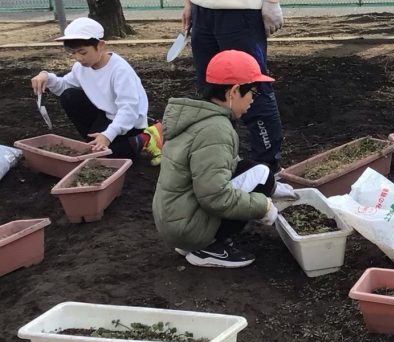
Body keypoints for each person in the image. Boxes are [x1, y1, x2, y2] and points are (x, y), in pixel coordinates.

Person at [152, 50, 296, 269]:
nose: (253, 100)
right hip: (187, 228)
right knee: (261, 178)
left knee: (259, 173)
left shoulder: (199, 118)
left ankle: (193, 241)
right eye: (252, 93)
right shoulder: (216, 129)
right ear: (234, 92)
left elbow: (227, 167)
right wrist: (263, 206)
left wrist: (274, 188)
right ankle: (205, 247)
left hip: (175, 219)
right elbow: (215, 196)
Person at [29, 17, 163, 165]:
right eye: (73, 53)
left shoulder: (120, 70)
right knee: (69, 96)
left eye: (83, 52)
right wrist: (47, 77)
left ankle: (145, 138)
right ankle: (95, 141)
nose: (78, 58)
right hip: (106, 116)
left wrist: (108, 135)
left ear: (100, 45)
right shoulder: (81, 68)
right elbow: (64, 86)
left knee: (107, 158)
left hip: (130, 123)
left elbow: (129, 110)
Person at [182, 0, 284, 171]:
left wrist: (271, 2)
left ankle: (268, 167)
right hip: (201, 11)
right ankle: (218, 161)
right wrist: (189, 3)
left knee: (251, 88)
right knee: (211, 91)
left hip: (240, 12)